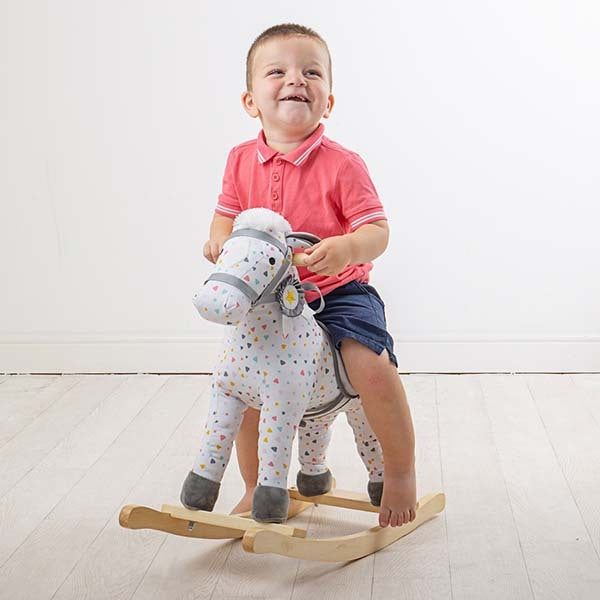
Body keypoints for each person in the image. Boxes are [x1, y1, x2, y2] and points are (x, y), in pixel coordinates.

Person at [202, 23, 416, 528]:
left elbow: (378, 231)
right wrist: (218, 239)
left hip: (338, 292)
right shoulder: (239, 160)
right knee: (247, 385)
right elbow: (226, 214)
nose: (295, 79)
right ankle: (256, 486)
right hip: (269, 302)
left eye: (311, 72)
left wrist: (346, 248)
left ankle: (401, 472)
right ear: (251, 100)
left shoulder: (343, 164)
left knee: (369, 365)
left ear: (329, 100)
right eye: (277, 71)